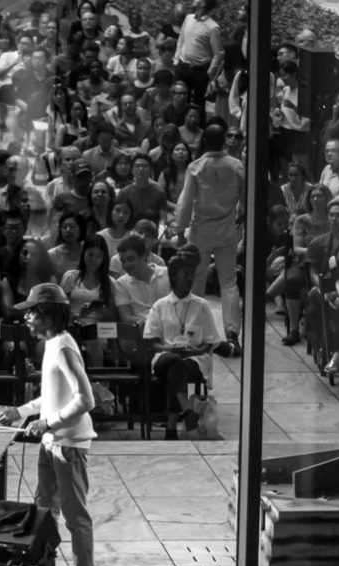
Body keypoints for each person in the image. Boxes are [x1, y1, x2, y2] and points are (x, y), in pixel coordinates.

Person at [0, 283, 99, 566]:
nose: (26, 317)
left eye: (32, 311)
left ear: (48, 313)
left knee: (75, 518)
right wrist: (23, 411)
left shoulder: (64, 347)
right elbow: (54, 395)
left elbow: (85, 399)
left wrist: (50, 423)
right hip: (51, 443)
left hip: (68, 445)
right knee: (43, 513)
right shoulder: (53, 344)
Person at [173, 123, 244, 355]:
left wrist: (179, 229)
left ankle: (196, 332)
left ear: (204, 142)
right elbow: (245, 199)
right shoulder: (236, 166)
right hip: (227, 230)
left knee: (198, 279)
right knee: (228, 282)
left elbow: (186, 202)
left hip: (200, 231)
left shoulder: (196, 167)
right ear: (224, 141)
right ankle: (232, 334)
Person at [144, 245, 221, 439]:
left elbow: (209, 343)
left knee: (176, 369)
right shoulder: (160, 306)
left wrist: (191, 352)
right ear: (174, 276)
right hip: (164, 356)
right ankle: (186, 413)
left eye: (191, 274)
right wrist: (169, 347)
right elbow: (152, 342)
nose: (190, 278)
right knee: (173, 362)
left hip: (194, 360)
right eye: (185, 274)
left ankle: (172, 428)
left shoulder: (201, 305)